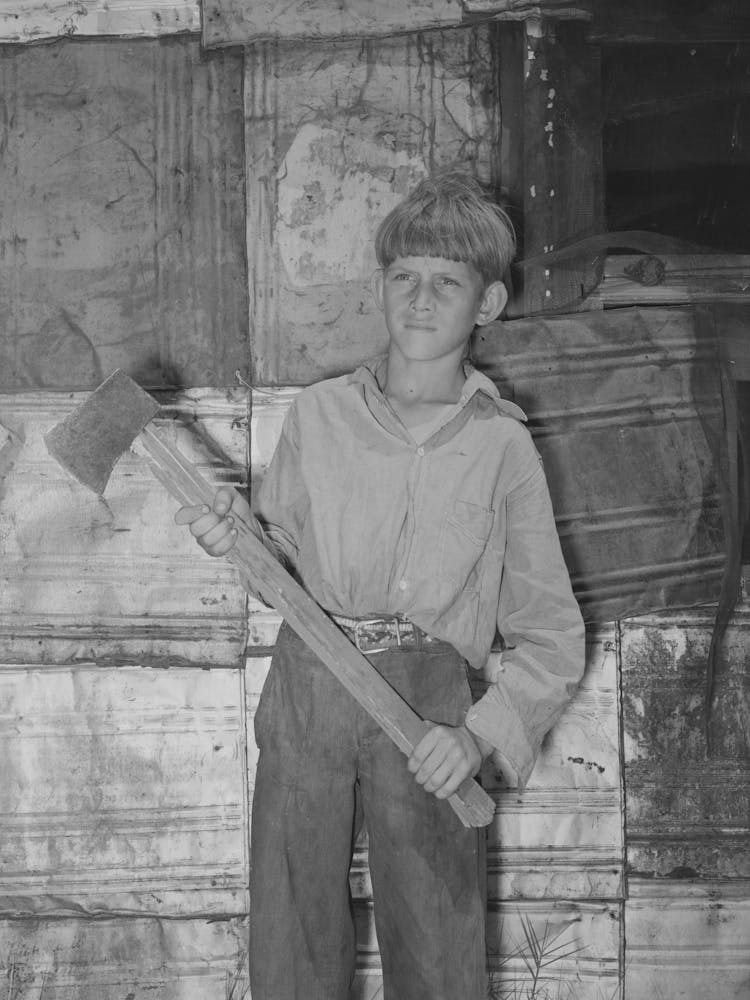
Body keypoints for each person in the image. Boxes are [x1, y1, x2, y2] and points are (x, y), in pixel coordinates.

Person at [175, 168, 585, 1000]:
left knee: (438, 937)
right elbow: (276, 559)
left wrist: (475, 737)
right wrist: (234, 537)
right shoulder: (320, 416)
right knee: (292, 932)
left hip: (429, 702)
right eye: (404, 277)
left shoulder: (504, 448)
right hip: (309, 681)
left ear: (490, 304)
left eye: (447, 282)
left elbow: (550, 636)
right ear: (381, 287)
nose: (421, 299)